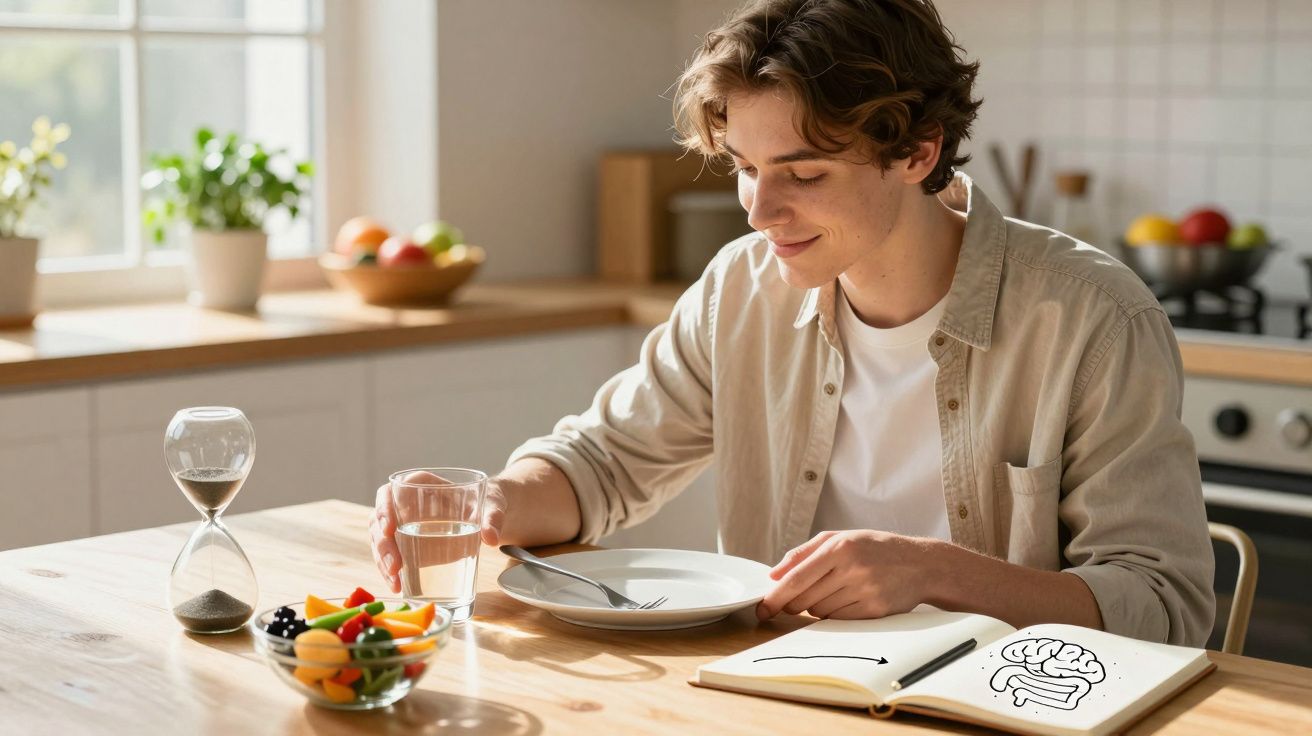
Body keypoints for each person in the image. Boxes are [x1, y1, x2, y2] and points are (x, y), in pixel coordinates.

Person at [371, 0, 1214, 645]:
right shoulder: (741, 289)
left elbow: (1164, 606)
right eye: (744, 168)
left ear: (917, 152)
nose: (760, 210)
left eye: (802, 172)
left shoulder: (1093, 317)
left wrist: (934, 574)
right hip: (782, 690)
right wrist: (488, 500)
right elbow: (603, 464)